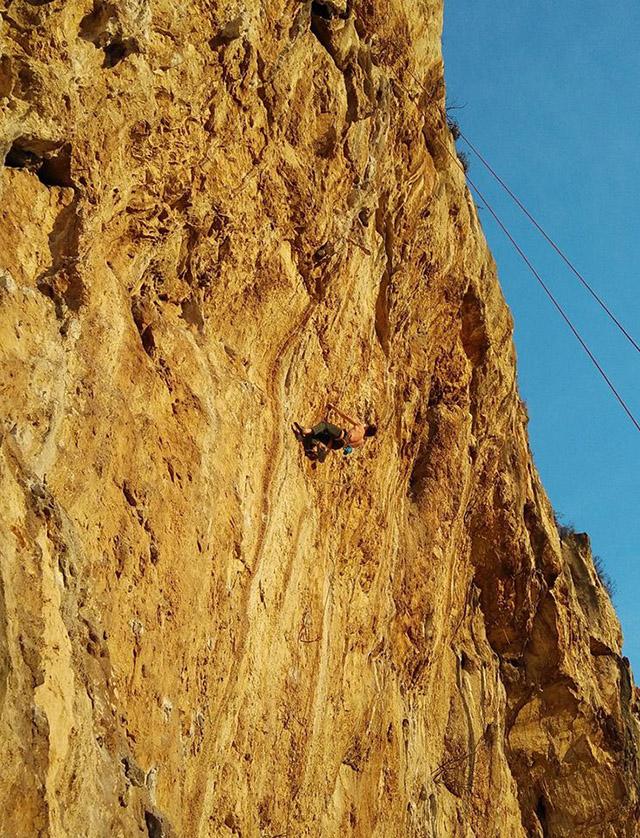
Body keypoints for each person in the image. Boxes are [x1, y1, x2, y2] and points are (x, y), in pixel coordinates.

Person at [292, 403, 377, 462]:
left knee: (324, 425)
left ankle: (306, 431)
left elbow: (345, 416)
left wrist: (333, 407)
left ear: (367, 427)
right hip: (337, 445)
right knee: (317, 435)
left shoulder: (360, 427)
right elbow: (348, 449)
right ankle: (311, 449)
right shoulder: (361, 442)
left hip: (341, 435)